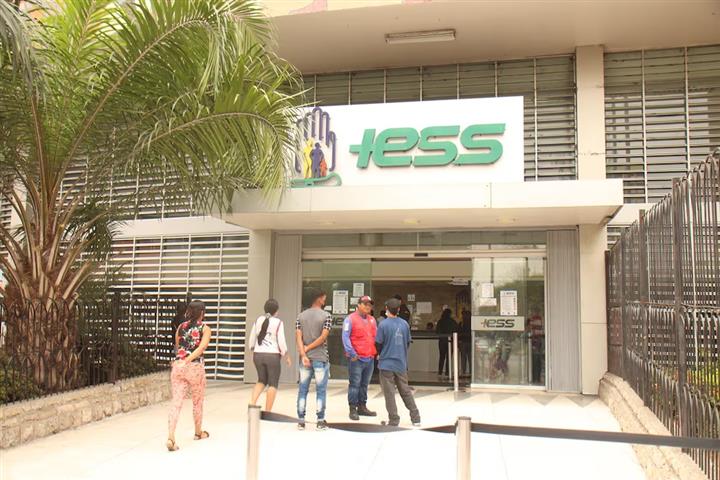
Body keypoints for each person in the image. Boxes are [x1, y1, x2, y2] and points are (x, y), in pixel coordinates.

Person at [167, 300, 211, 452]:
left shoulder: (180, 327)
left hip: (178, 366)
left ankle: (171, 436)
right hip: (195, 367)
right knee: (197, 401)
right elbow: (202, 347)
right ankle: (198, 432)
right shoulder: (205, 328)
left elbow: (178, 346)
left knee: (176, 402)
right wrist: (189, 359)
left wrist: (182, 360)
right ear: (202, 313)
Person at [376, 298, 421, 427]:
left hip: (386, 364)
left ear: (386, 309)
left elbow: (378, 343)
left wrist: (380, 354)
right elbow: (407, 343)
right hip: (401, 363)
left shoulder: (383, 325)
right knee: (405, 391)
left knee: (389, 393)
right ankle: (416, 418)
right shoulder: (405, 324)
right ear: (399, 310)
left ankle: (394, 420)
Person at [296, 288, 332, 430]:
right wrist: (308, 348)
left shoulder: (300, 316)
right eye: (324, 297)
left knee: (302, 389)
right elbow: (323, 337)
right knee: (321, 390)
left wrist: (303, 353)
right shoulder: (326, 316)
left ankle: (301, 420)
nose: (324, 300)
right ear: (319, 298)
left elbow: (298, 337)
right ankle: (320, 421)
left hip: (305, 359)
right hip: (320, 357)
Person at [248, 299, 291, 411]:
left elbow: (252, 339)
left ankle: (252, 402)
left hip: (258, 355)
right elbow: (281, 341)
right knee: (273, 383)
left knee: (261, 380)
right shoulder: (278, 322)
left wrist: (252, 352)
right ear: (276, 310)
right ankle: (268, 411)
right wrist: (286, 355)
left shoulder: (258, 320)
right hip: (272, 356)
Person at [342, 295, 378, 421]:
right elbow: (345, 337)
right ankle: (353, 409)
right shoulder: (350, 319)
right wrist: (352, 353)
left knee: (364, 384)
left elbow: (376, 337)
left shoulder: (372, 320)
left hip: (369, 357)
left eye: (370, 305)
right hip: (356, 359)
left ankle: (362, 407)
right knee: (355, 384)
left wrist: (377, 352)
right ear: (358, 305)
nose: (368, 307)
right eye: (365, 304)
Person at [435, 308, 457, 377]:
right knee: (449, 357)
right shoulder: (452, 321)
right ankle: (447, 372)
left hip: (442, 341)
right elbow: (456, 330)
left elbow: (437, 331)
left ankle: (440, 371)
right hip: (450, 341)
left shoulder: (440, 321)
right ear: (450, 314)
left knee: (442, 357)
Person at [459, 309, 472, 376]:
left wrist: (459, 340)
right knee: (470, 357)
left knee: (463, 357)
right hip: (470, 341)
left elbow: (459, 332)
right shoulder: (472, 323)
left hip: (463, 342)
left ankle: (463, 371)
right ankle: (471, 371)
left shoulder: (461, 323)